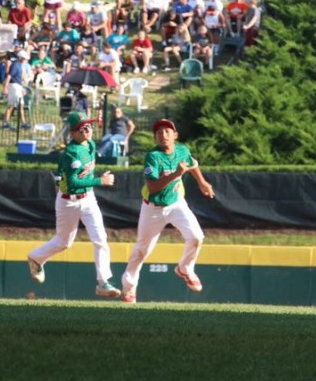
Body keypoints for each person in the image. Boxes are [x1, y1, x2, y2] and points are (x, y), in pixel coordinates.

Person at [27, 112, 122, 299]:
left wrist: (93, 180)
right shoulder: (72, 153)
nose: (87, 130)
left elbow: (76, 175)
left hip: (88, 199)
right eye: (82, 128)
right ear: (72, 133)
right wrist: (100, 181)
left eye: (89, 126)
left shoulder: (90, 144)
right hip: (68, 201)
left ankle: (103, 282)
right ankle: (36, 258)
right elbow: (72, 183)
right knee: (64, 242)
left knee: (100, 239)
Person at [120, 119, 215, 303]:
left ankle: (185, 268)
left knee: (196, 237)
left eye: (167, 131)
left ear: (175, 135)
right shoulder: (153, 156)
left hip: (176, 204)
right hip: (153, 208)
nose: (163, 135)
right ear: (155, 137)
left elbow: (192, 164)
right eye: (159, 132)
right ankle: (129, 287)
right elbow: (153, 187)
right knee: (142, 250)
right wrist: (176, 174)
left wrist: (202, 182)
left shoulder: (182, 150)